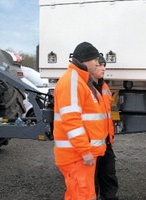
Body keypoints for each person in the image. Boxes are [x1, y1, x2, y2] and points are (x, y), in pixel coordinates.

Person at [53, 42, 108, 200]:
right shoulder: (72, 82)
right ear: (85, 61)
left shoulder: (79, 81)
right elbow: (71, 121)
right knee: (82, 196)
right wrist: (84, 151)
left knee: (79, 195)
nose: (98, 63)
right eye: (95, 60)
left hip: (78, 156)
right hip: (77, 156)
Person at [92, 54, 119, 200]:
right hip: (91, 146)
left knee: (109, 178)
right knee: (91, 183)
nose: (103, 69)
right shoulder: (85, 87)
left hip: (105, 143)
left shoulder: (104, 87)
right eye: (99, 66)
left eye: (104, 66)